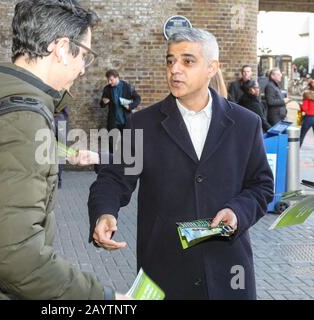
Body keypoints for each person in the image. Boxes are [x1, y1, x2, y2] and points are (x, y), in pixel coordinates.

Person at [0, 0, 126, 300]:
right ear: (61, 48)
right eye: (84, 55)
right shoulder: (23, 122)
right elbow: (14, 256)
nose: (84, 69)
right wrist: (102, 298)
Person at [88, 28, 274, 300]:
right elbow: (114, 179)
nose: (175, 69)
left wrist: (236, 212)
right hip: (165, 271)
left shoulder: (246, 124)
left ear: (212, 67)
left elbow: (262, 186)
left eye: (187, 61)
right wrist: (105, 212)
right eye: (170, 60)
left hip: (229, 271)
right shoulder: (143, 125)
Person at [300, 79, 314, 146]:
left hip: (309, 117)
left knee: (301, 136)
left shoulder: (307, 94)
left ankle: (295, 152)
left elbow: (304, 108)